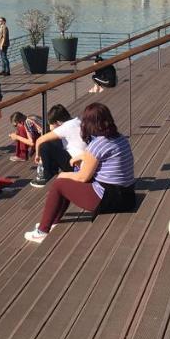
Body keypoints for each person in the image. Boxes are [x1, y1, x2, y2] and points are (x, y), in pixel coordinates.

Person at [24, 102, 135, 243]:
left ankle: (42, 230)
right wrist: (83, 156)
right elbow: (104, 157)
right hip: (127, 195)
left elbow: (83, 177)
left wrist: (63, 175)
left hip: (110, 200)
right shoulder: (120, 138)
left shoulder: (97, 144)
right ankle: (52, 221)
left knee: (60, 184)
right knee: (66, 184)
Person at [30, 104, 87, 187]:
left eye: (51, 123)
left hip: (77, 166)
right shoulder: (77, 121)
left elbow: (39, 140)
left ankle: (47, 176)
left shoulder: (64, 128)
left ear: (58, 122)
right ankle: (52, 171)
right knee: (54, 141)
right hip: (86, 160)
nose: (50, 126)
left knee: (45, 145)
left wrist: (37, 156)